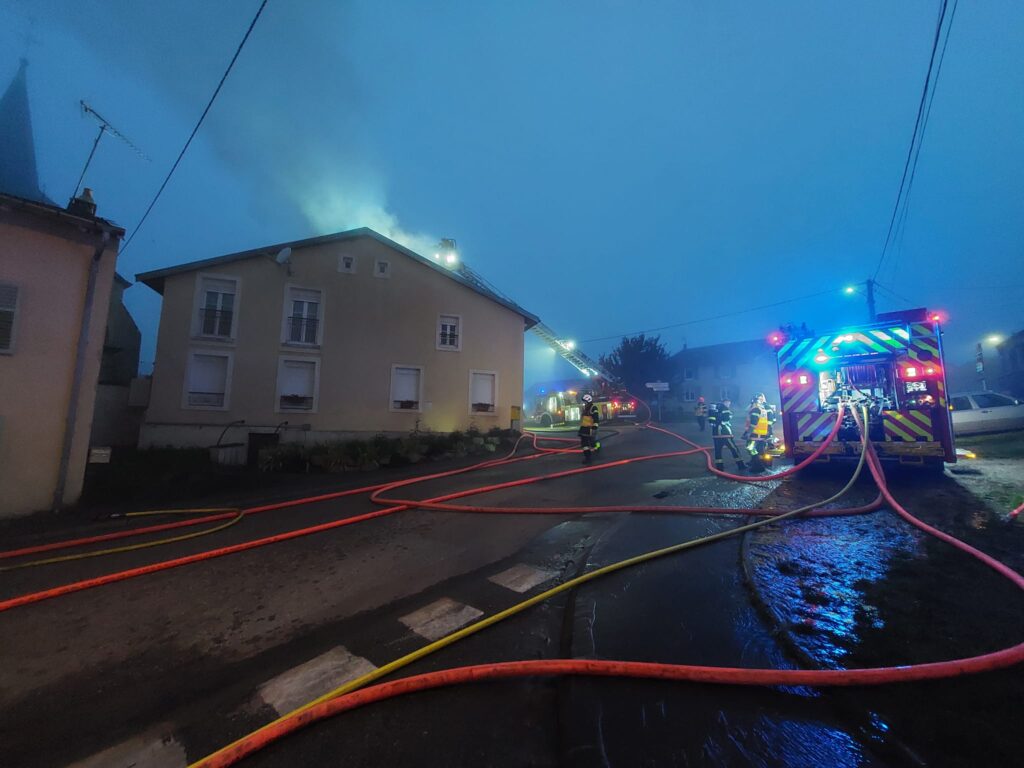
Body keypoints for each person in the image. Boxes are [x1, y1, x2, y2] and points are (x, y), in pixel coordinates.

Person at [708, 397, 745, 471]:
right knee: (734, 448)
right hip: (725, 433)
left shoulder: (715, 409)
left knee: (718, 451)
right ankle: (741, 465)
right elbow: (726, 418)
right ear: (725, 402)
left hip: (716, 434)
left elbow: (711, 420)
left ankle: (719, 467)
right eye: (728, 403)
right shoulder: (725, 408)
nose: (729, 404)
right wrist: (730, 416)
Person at [578, 392, 601, 464]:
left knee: (592, 443)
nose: (584, 403)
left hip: (590, 429)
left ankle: (597, 447)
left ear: (588, 401)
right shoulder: (585, 409)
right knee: (585, 444)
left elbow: (596, 418)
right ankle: (588, 458)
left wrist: (595, 427)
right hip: (584, 429)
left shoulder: (593, 408)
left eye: (584, 402)